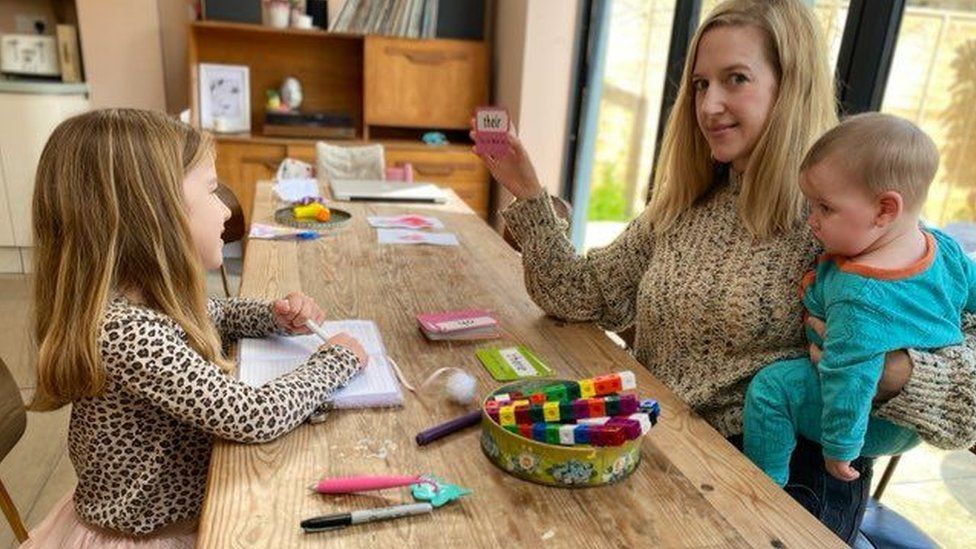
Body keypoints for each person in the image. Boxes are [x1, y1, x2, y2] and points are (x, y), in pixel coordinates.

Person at [473, 0, 976, 542]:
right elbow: (577, 294)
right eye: (699, 84)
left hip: (788, 487)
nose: (709, 105)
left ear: (792, 86)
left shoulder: (844, 216)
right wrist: (526, 189)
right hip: (670, 457)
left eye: (735, 79)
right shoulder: (689, 203)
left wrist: (894, 370)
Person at [23, 109, 367, 547]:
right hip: (151, 537)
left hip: (181, 514)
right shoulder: (126, 330)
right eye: (211, 190)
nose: (225, 208)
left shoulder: (141, 297)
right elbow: (252, 415)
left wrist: (272, 316)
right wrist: (336, 361)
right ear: (154, 214)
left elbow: (214, 313)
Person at [743, 112, 976, 486]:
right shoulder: (944, 250)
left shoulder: (859, 295)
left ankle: (764, 487)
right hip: (917, 422)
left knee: (772, 389)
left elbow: (847, 379)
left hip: (873, 422)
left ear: (885, 210)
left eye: (825, 208)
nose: (812, 220)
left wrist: (840, 448)